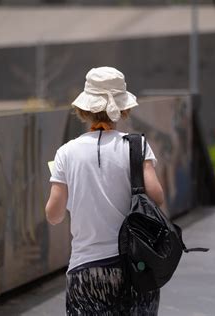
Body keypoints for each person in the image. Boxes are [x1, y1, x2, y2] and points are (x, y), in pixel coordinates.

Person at [45, 66, 165, 315]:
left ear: (84, 109)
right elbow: (157, 197)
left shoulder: (66, 152)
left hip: (87, 269)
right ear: (123, 108)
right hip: (136, 265)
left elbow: (54, 214)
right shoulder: (136, 146)